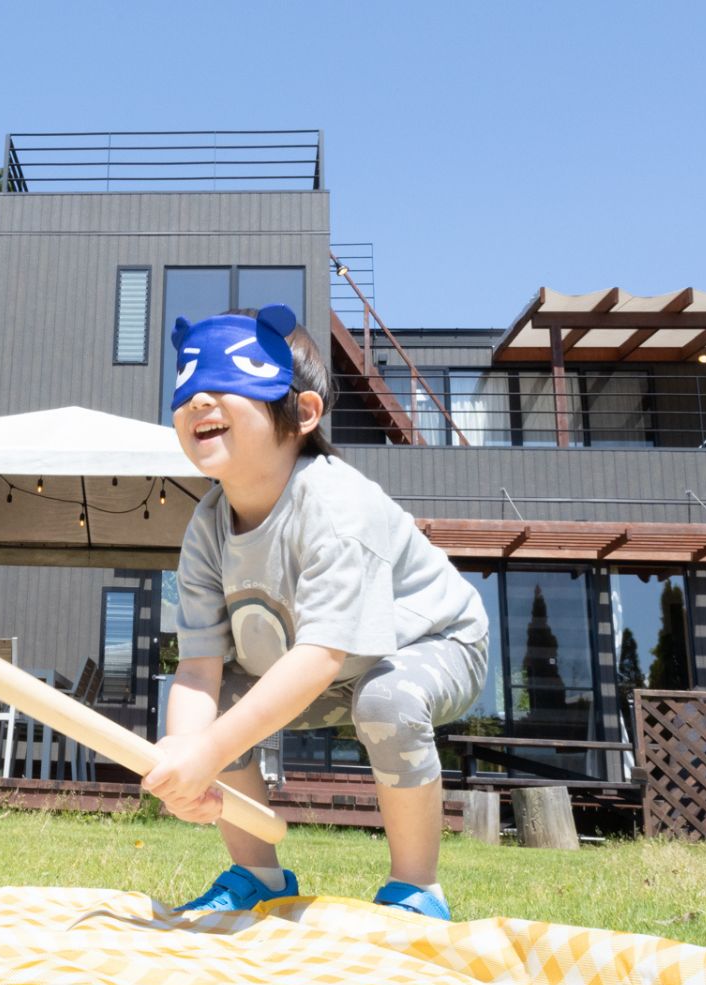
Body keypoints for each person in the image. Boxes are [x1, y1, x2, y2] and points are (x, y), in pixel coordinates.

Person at [142, 304, 489, 919]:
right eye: (190, 388)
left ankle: (416, 888)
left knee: (388, 700)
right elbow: (198, 670)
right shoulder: (205, 530)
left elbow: (320, 654)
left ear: (302, 412)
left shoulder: (335, 506)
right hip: (331, 665)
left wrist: (210, 752)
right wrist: (184, 757)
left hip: (434, 643)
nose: (200, 401)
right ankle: (259, 875)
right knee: (212, 716)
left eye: (227, 385)